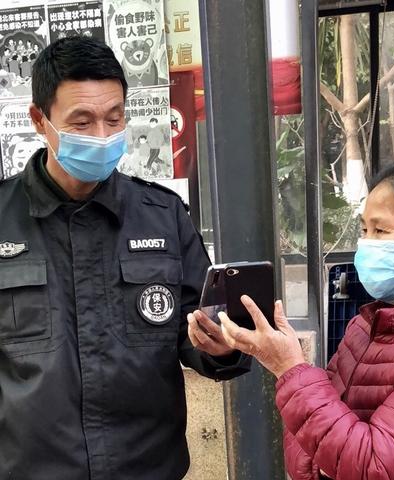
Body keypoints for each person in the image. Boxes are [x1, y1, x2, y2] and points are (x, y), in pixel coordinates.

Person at [0, 36, 249, 480]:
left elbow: (199, 329)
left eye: (114, 119)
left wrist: (223, 347)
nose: (102, 136)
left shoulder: (162, 216)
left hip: (147, 468)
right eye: (82, 122)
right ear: (40, 120)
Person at [218, 159, 394, 479]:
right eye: (364, 229)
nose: (366, 244)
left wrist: (290, 369)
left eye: (381, 230)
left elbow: (373, 466)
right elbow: (315, 443)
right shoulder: (366, 325)